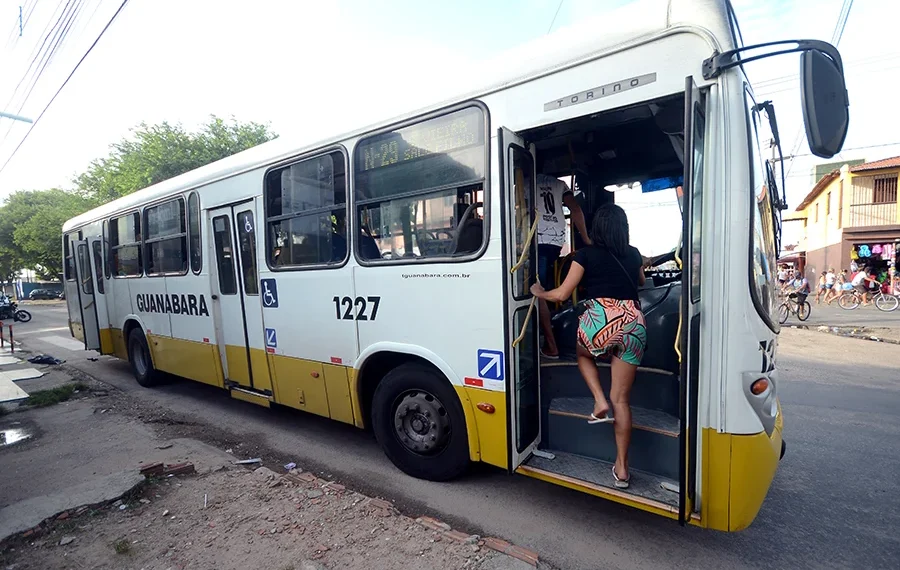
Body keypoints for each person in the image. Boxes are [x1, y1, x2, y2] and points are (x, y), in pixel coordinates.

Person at [530, 203, 646, 489]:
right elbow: (640, 281)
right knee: (623, 400)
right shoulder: (632, 254)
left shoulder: (584, 255)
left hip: (599, 322)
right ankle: (622, 468)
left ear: (596, 229)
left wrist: (539, 291)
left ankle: (598, 399)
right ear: (623, 229)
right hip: (633, 325)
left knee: (583, 355)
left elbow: (562, 293)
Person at [535, 173, 591, 359]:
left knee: (537, 292)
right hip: (556, 241)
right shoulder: (560, 184)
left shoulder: (522, 180)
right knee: (546, 283)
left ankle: (551, 346)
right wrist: (585, 238)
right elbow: (575, 210)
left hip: (535, 240)